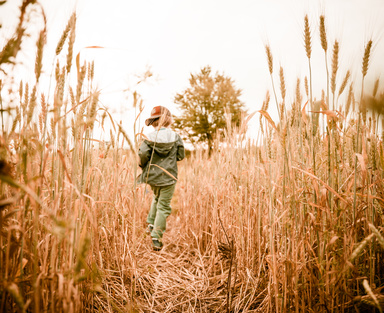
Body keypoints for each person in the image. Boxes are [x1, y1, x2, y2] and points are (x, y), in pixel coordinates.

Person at [138, 106, 185, 251]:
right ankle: (156, 237)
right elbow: (181, 156)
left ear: (153, 122)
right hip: (169, 177)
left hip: (153, 176)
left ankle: (151, 223)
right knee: (163, 205)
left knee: (156, 198)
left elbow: (143, 155)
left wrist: (145, 165)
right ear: (169, 120)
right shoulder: (176, 137)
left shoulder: (148, 138)